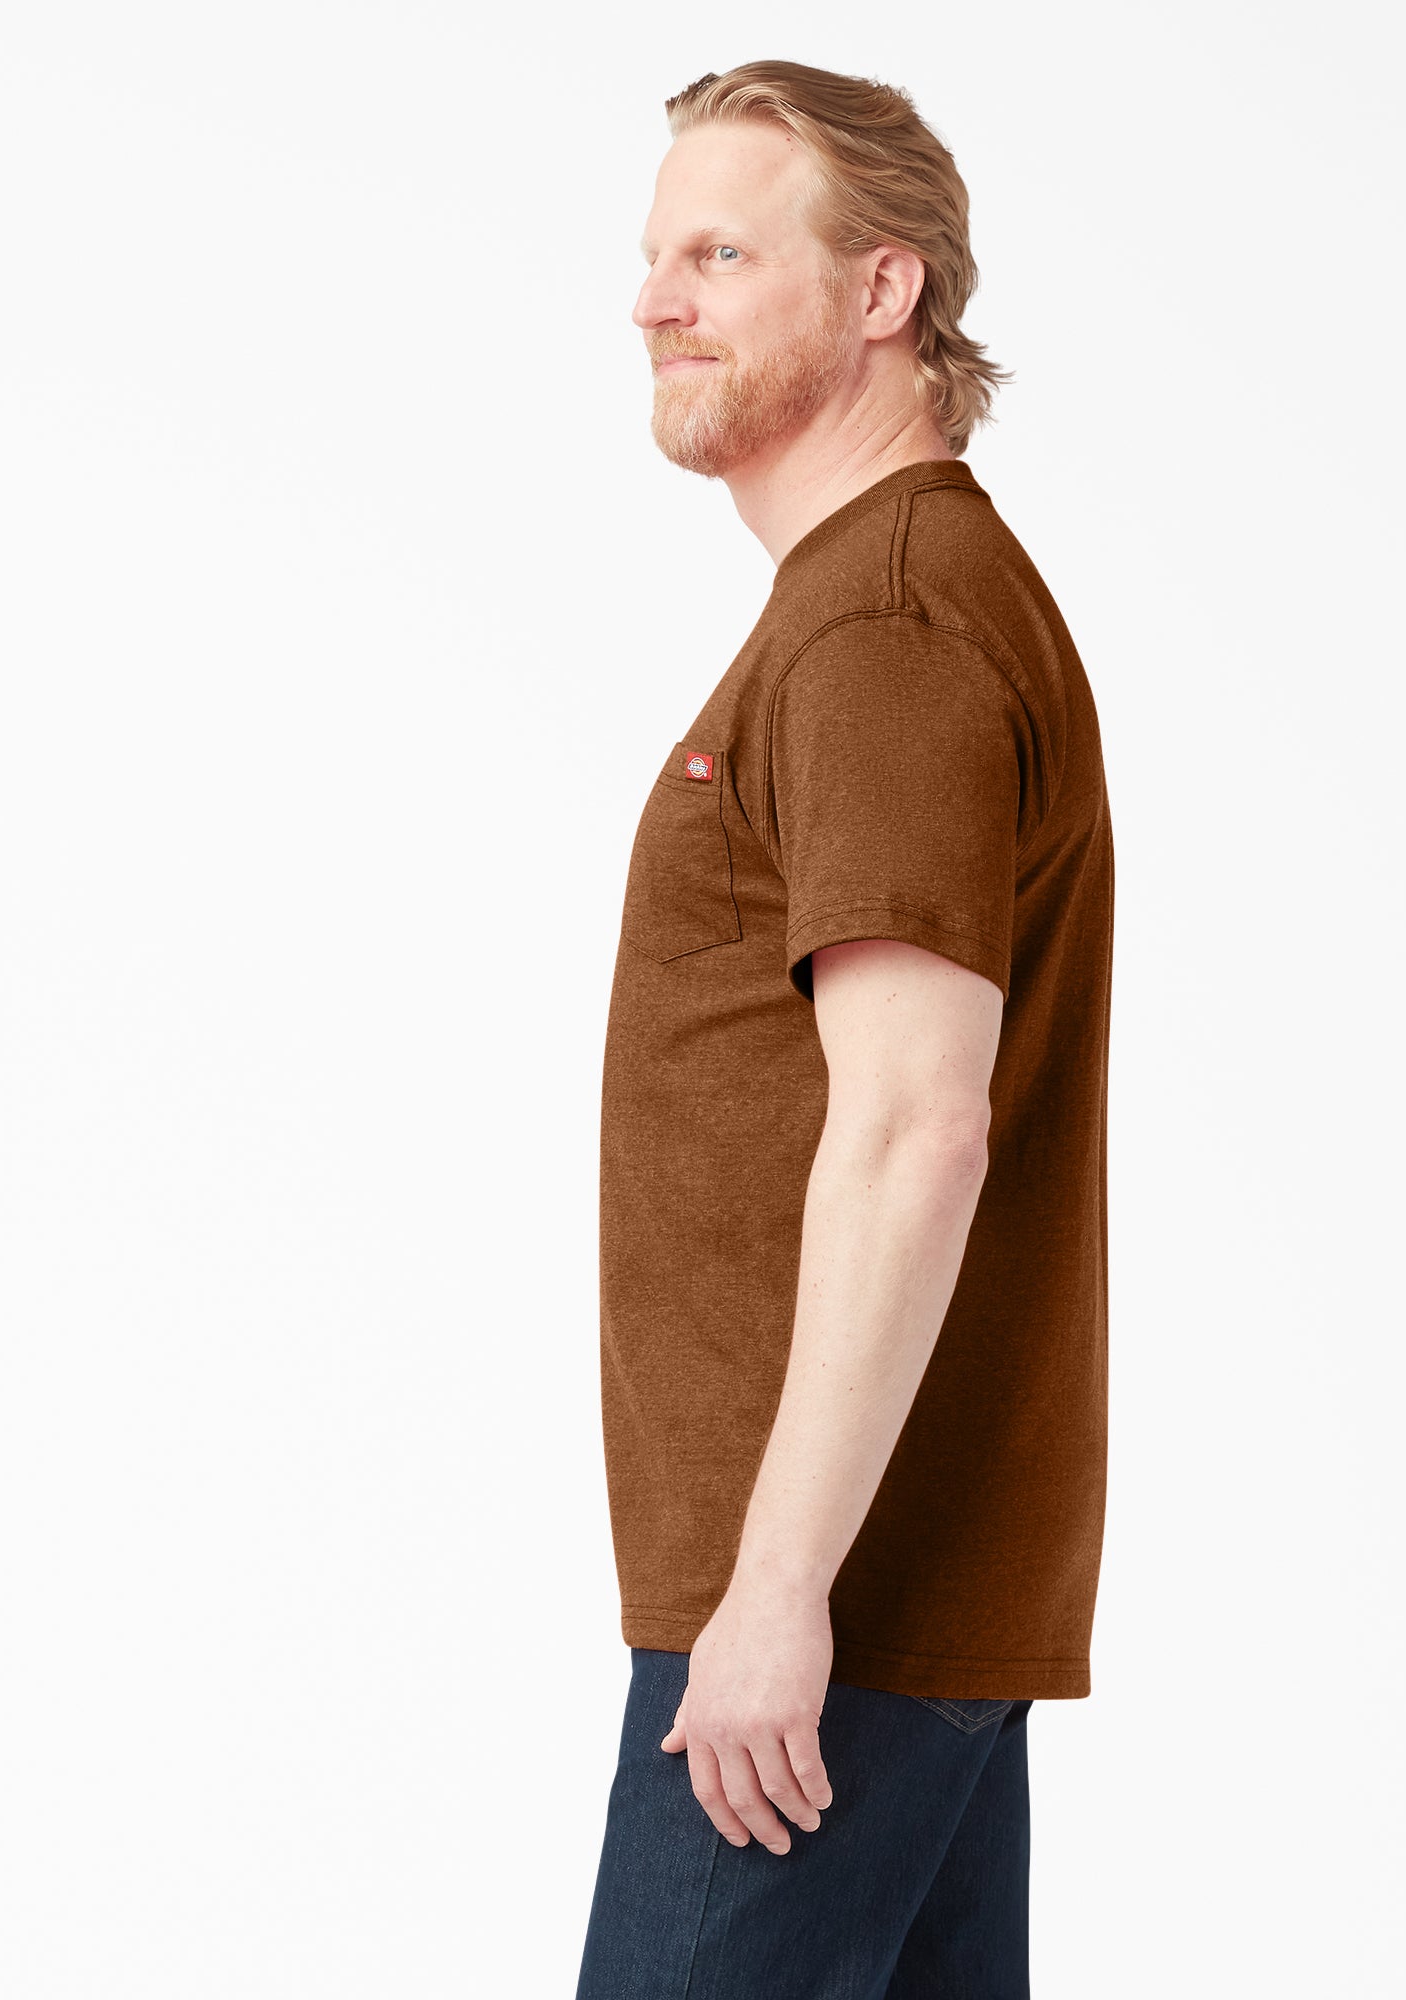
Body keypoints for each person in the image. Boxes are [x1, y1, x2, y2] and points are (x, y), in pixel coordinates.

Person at [577, 59, 1115, 1998]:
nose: (656, 300)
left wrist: (778, 1590)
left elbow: (915, 1126)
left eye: (721, 255)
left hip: (826, 1616)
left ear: (884, 290)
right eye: (657, 256)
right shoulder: (887, 598)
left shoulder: (884, 627)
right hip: (883, 1602)